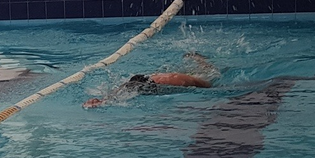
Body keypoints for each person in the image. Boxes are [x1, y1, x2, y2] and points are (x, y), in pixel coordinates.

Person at [83, 53, 219, 108]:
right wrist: (104, 101)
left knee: (209, 74)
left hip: (179, 79)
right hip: (148, 81)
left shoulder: (177, 80)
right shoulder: (137, 84)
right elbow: (126, 89)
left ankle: (200, 60)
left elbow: (205, 84)